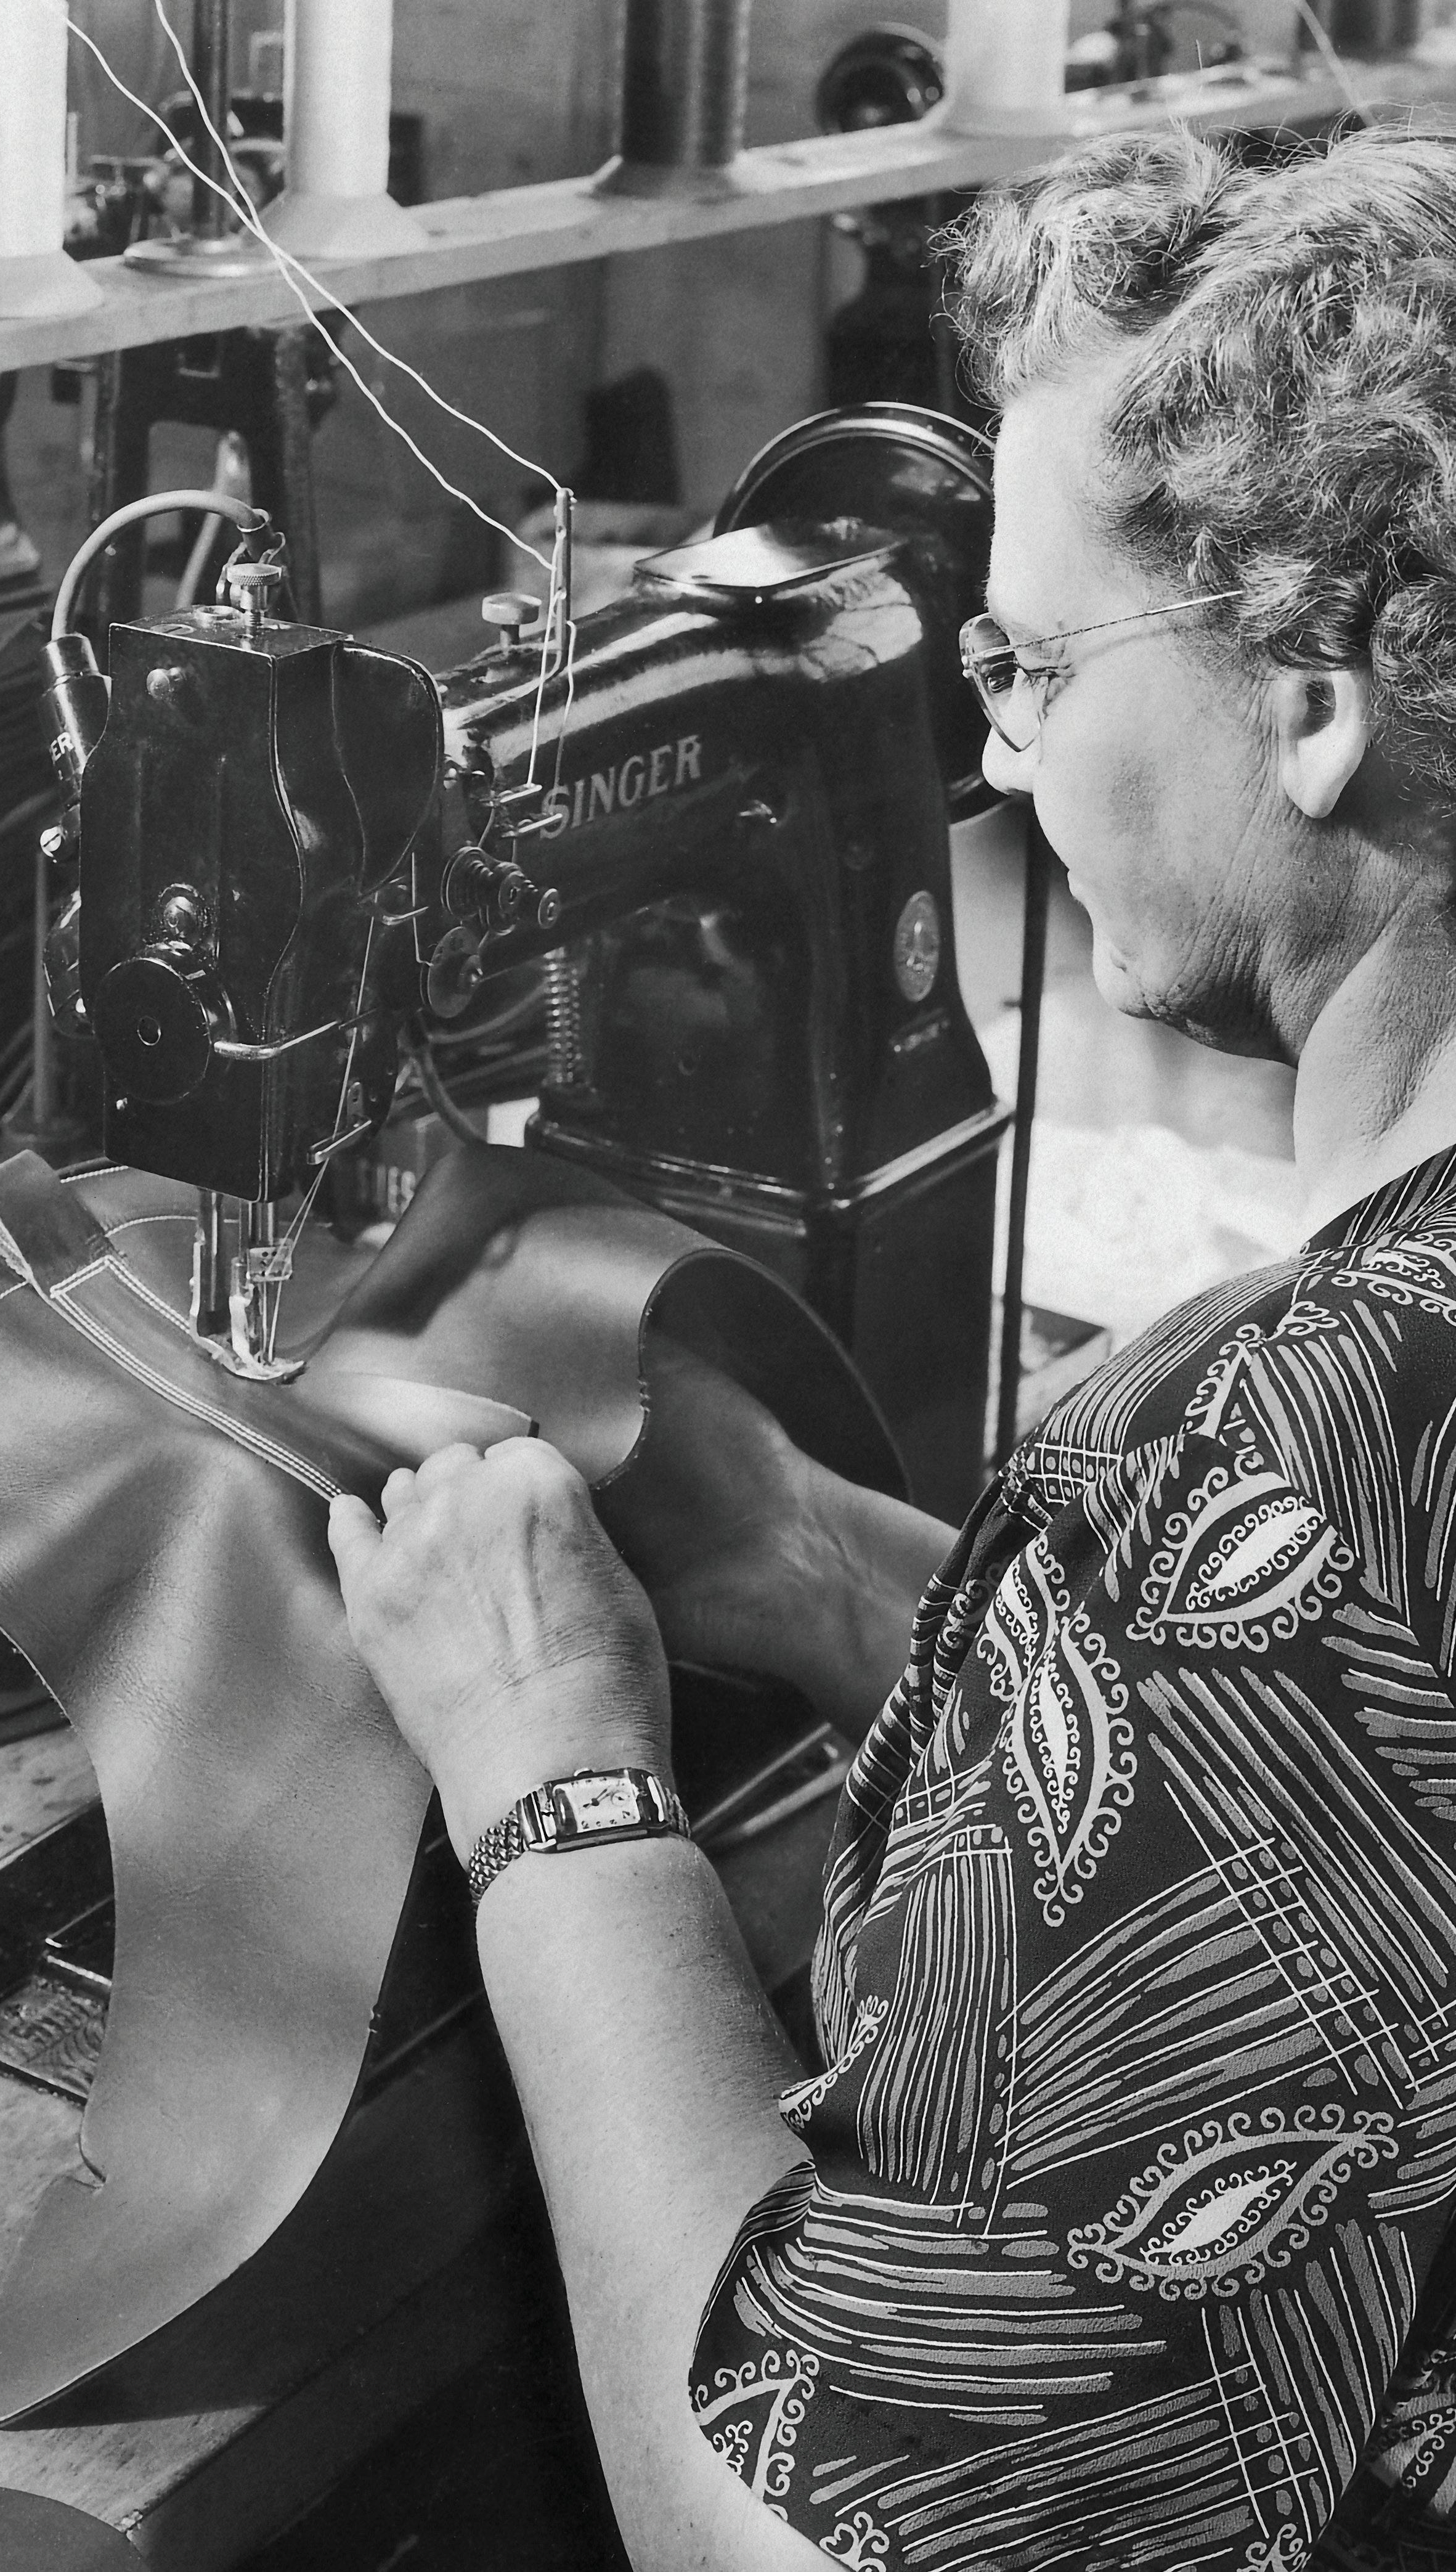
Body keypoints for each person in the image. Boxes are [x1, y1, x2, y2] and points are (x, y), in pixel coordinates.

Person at [325, 124, 1456, 2572]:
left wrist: (551, 1767)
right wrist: (851, 1583)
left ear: (1316, 697)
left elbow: (799, 2549)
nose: (1002, 756)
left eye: (1030, 666)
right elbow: (1354, 1833)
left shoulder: (1309, 1443)